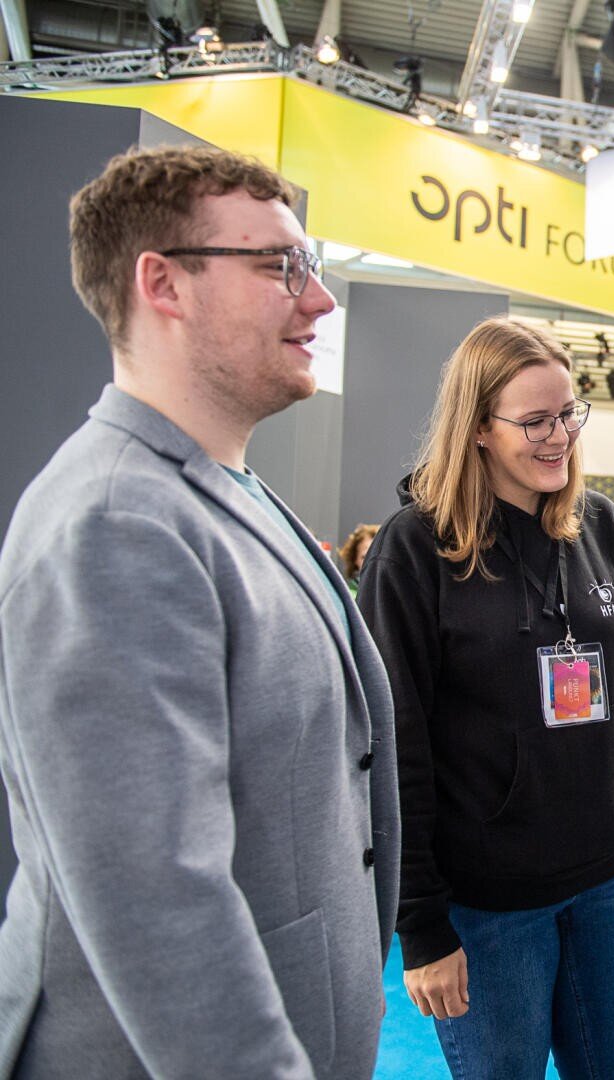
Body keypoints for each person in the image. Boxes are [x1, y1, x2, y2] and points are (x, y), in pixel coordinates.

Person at [0, 146, 399, 1077]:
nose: (321, 299)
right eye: (280, 267)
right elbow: (154, 901)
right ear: (163, 284)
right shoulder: (113, 523)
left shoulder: (225, 490)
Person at [359, 316, 614, 1080]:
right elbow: (393, 741)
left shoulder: (600, 525)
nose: (558, 436)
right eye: (534, 421)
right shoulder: (416, 549)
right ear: (475, 427)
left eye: (569, 414)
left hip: (607, 885)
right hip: (487, 908)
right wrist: (422, 927)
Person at [340, 521, 380, 594]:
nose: (372, 563)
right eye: (364, 557)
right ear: (355, 559)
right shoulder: (350, 596)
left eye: (377, 556)